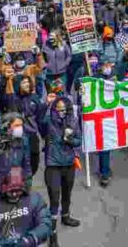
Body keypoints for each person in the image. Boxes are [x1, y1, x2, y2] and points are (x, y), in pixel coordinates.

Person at [0, 167, 53, 247]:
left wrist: (30, 239)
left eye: (17, 191)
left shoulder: (34, 199)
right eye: (11, 191)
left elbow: (46, 224)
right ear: (3, 189)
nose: (14, 194)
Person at [39, 95, 82, 242]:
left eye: (63, 109)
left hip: (69, 164)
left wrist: (70, 140)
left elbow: (78, 141)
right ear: (54, 110)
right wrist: (46, 104)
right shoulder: (49, 122)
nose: (61, 112)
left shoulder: (74, 121)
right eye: (58, 109)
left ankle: (66, 216)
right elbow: (40, 123)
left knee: (67, 192)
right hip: (53, 165)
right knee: (54, 197)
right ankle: (53, 231)